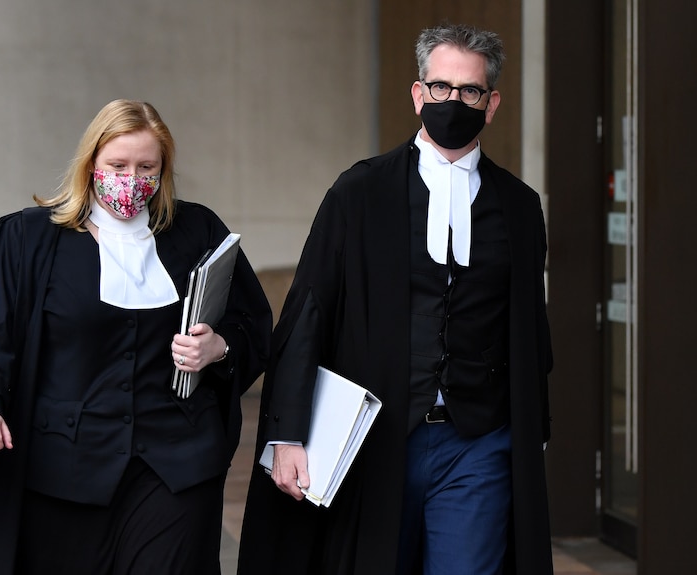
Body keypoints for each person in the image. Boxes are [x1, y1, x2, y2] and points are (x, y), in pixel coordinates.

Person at [237, 23, 553, 575]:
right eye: (440, 87)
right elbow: (308, 311)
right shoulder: (360, 192)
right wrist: (286, 433)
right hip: (375, 438)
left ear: (492, 103)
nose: (453, 101)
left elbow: (531, 331)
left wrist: (534, 434)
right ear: (417, 94)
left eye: (469, 91)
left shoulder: (521, 207)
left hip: (477, 443)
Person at [0, 99, 272, 575]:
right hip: (61, 471)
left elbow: (252, 322)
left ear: (164, 169)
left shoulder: (198, 231)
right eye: (118, 165)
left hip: (175, 465)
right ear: (91, 165)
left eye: (146, 166)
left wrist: (220, 347)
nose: (132, 178)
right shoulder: (27, 239)